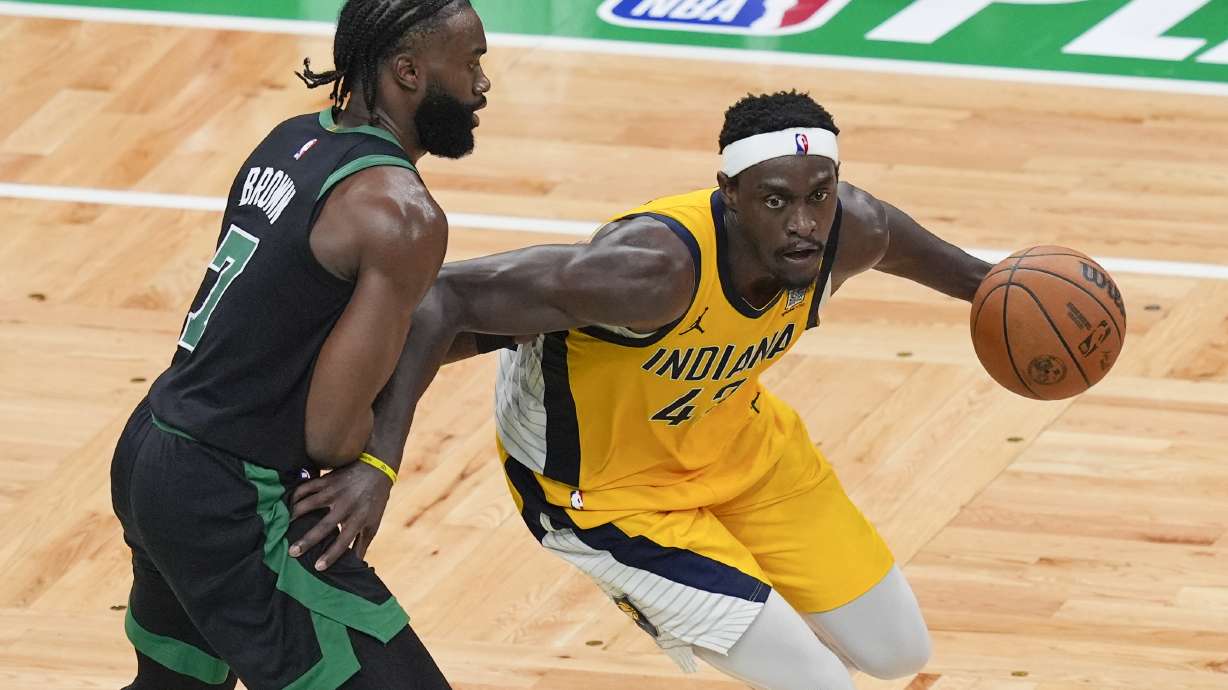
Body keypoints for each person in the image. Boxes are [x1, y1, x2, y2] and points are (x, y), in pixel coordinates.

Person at [299, 90, 992, 689]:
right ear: (731, 196)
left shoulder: (851, 232)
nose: (804, 224)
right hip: (603, 490)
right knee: (818, 682)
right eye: (777, 201)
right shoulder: (649, 272)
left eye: (820, 196)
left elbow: (982, 284)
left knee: (900, 652)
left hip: (739, 449)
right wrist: (376, 462)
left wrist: (1017, 297)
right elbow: (440, 301)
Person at [108, 1, 490, 688]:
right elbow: (332, 436)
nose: (483, 85)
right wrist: (378, 461)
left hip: (154, 448)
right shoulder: (401, 214)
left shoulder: (288, 140)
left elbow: (277, 326)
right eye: (471, 64)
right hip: (231, 491)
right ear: (408, 72)